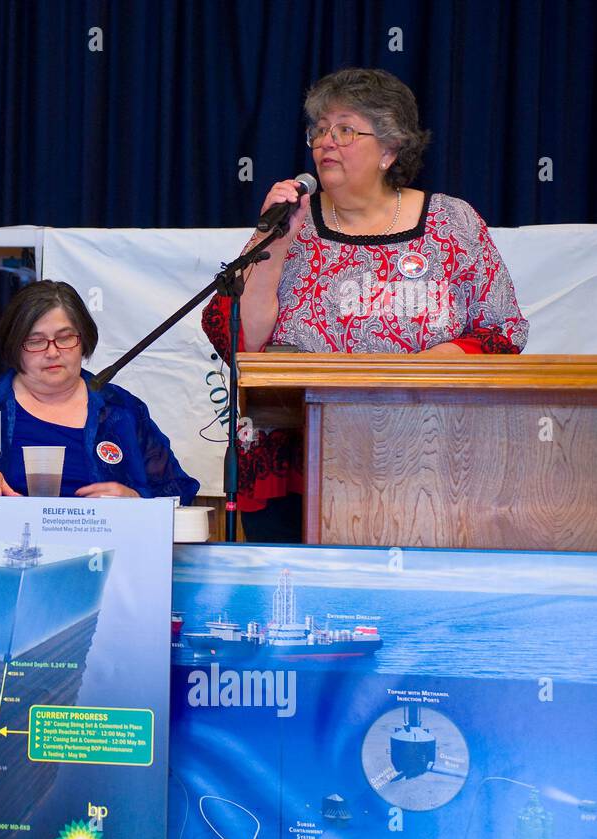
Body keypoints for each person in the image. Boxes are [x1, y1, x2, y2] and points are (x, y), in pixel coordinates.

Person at [203, 67, 528, 541]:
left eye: (345, 130)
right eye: (319, 130)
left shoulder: (452, 222)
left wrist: (424, 369)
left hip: (428, 456)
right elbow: (237, 340)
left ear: (390, 150)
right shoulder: (288, 223)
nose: (324, 142)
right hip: (299, 460)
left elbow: (501, 331)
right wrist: (273, 247)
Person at [0, 280, 199, 502]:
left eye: (65, 338)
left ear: (84, 340)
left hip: (108, 556)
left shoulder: (121, 409)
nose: (52, 352)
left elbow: (178, 490)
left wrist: (136, 501)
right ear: (14, 347)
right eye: (36, 341)